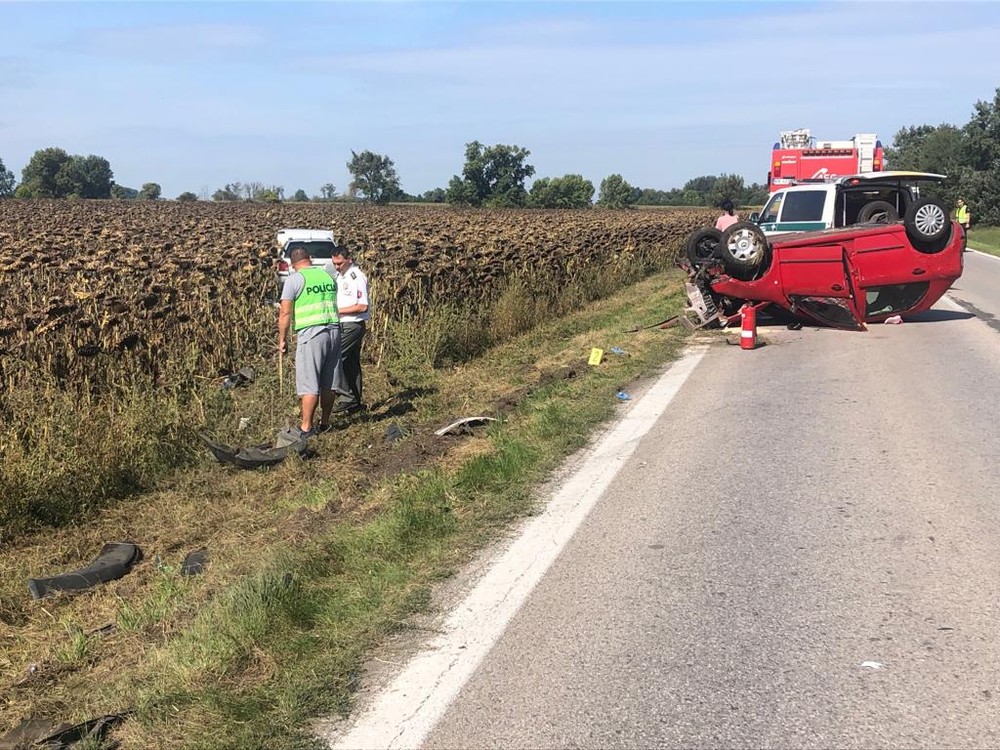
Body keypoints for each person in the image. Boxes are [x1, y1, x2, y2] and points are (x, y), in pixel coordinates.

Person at [277, 246, 342, 437]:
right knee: (329, 382)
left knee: (309, 383)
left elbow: (285, 313)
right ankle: (325, 422)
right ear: (310, 259)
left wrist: (282, 339)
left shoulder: (294, 280)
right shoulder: (327, 276)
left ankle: (306, 428)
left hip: (312, 334)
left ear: (292, 264)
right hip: (334, 331)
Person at [324, 247, 370, 416]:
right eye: (334, 263)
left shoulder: (356, 276)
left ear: (349, 259)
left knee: (334, 359)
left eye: (340, 263)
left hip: (352, 325)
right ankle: (355, 403)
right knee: (351, 364)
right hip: (344, 324)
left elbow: (362, 306)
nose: (337, 267)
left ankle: (346, 396)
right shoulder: (340, 276)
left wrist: (338, 311)